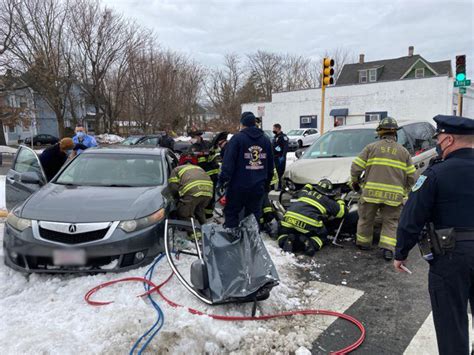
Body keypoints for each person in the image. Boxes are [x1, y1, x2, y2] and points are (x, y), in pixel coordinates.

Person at [394, 115, 474, 355]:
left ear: (448, 139)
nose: (437, 142)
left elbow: (413, 216)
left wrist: (401, 252)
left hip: (451, 257)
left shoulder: (435, 174)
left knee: (451, 322)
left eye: (438, 138)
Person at [350, 117, 416, 260]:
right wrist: (404, 190)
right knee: (390, 222)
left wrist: (355, 182)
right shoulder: (403, 152)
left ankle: (363, 243)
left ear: (380, 132)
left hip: (370, 194)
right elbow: (412, 176)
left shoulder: (371, 148)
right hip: (394, 197)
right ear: (395, 134)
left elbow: (356, 167)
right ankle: (387, 249)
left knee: (366, 218)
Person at [218, 112, 274, 229]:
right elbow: (270, 166)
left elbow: (228, 164)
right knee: (253, 218)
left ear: (242, 123)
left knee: (232, 214)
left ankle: (233, 242)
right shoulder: (266, 140)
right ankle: (252, 244)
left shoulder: (237, 139)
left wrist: (222, 181)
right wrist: (266, 184)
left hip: (238, 187)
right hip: (258, 187)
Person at [277, 179, 347, 256]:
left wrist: (310, 185)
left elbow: (305, 187)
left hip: (288, 218)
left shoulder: (305, 193)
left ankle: (286, 240)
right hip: (308, 223)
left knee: (283, 232)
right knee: (322, 237)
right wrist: (339, 199)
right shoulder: (327, 201)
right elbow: (342, 212)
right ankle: (309, 243)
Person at [168, 153, 214, 225]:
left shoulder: (177, 169)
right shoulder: (199, 168)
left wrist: (176, 198)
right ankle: (205, 230)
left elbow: (173, 187)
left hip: (192, 193)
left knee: (184, 214)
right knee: (199, 211)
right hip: (208, 193)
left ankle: (193, 234)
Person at [189, 131, 220, 220]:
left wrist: (210, 153)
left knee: (211, 195)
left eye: (194, 137)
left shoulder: (207, 144)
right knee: (201, 195)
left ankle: (209, 214)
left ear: (199, 136)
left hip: (212, 174)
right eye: (192, 137)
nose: (193, 139)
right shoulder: (192, 148)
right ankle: (200, 213)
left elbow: (215, 154)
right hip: (200, 175)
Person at [272, 123, 289, 189]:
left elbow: (285, 147)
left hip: (280, 157)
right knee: (274, 172)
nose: (273, 130)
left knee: (280, 172)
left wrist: (283, 156)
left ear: (278, 128)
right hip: (275, 157)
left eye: (274, 128)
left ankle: (280, 186)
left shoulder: (283, 137)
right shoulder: (275, 137)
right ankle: (273, 186)